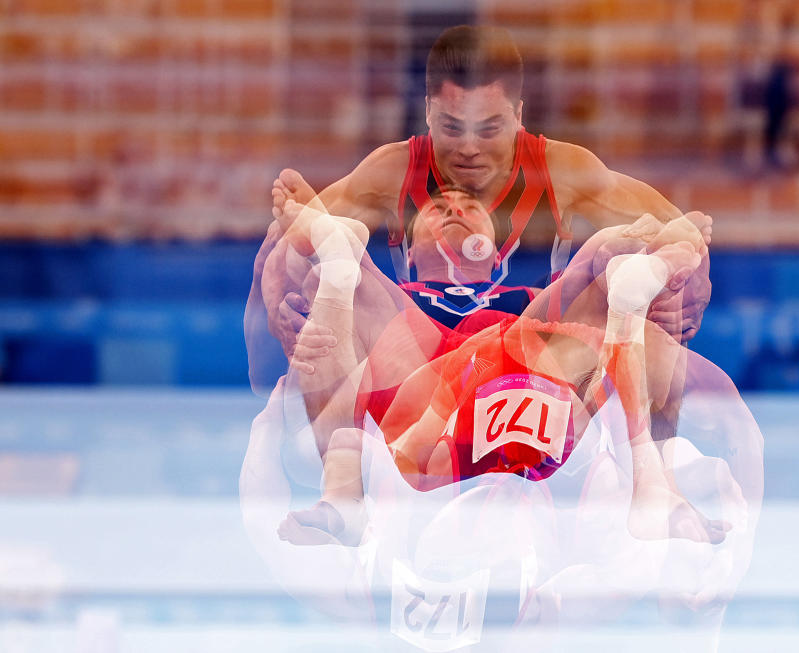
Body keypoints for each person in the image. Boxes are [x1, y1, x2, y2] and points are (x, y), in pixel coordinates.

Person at [247, 25, 714, 395]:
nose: (469, 148)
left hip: (536, 370)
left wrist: (683, 305)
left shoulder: (563, 170)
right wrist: (282, 311)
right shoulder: (392, 171)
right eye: (451, 127)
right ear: (428, 112)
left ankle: (657, 474)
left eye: (489, 129)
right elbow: (285, 247)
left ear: (519, 114)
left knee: (627, 270)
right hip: (419, 373)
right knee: (315, 253)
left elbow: (680, 233)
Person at [271, 184, 727, 548]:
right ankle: (342, 495)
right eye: (436, 207)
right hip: (422, 379)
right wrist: (294, 305)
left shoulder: (529, 299)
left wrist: (668, 265)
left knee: (605, 260)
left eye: (469, 205)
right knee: (334, 271)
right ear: (410, 255)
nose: (453, 208)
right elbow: (294, 288)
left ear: (493, 253)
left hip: (518, 371)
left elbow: (608, 292)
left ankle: (656, 484)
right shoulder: (394, 297)